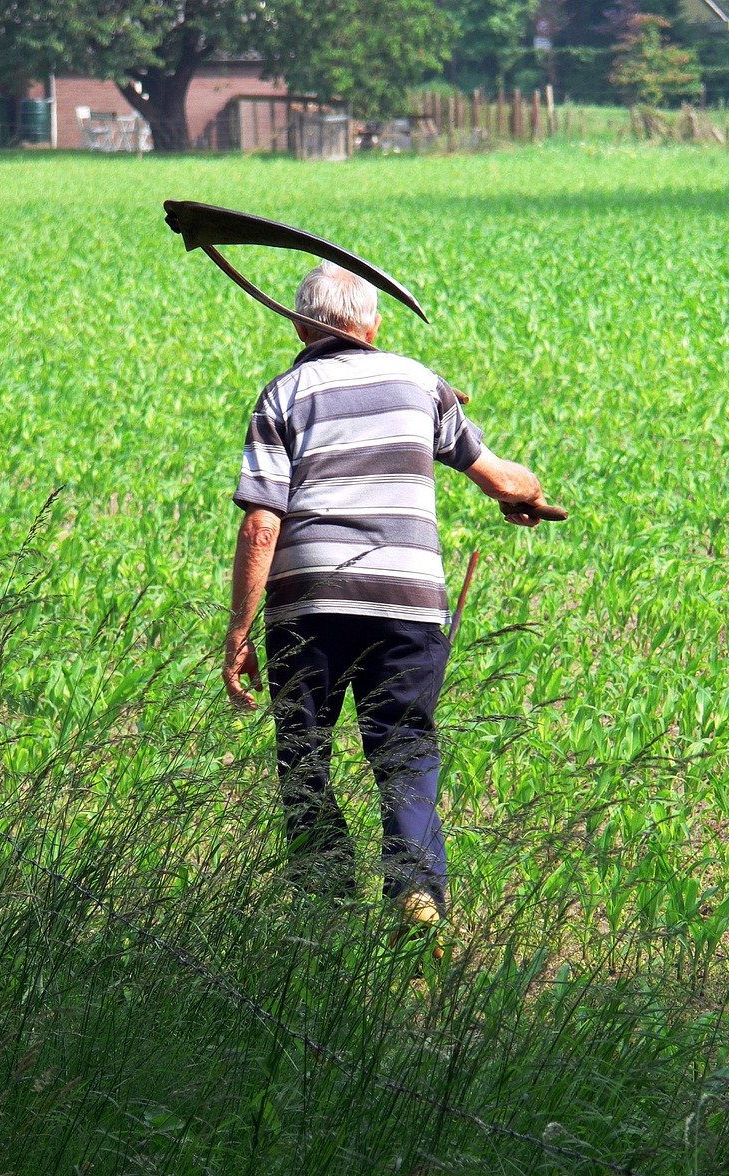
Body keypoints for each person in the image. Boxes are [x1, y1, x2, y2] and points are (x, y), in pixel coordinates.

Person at [223, 261, 550, 941]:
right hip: (406, 602)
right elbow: (500, 479)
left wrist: (238, 632)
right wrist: (529, 492)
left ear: (300, 327)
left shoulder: (282, 394)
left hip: (307, 605)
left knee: (304, 753)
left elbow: (260, 525)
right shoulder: (420, 382)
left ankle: (323, 906)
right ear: (372, 325)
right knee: (404, 748)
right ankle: (416, 890)